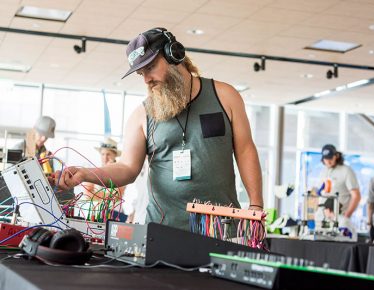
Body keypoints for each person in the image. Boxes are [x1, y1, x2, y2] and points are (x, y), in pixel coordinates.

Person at [53, 27, 263, 231]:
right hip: (163, 231)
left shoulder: (225, 96)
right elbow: (127, 168)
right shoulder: (141, 115)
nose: (146, 79)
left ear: (174, 55)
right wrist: (85, 173)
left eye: (150, 67)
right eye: (141, 73)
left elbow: (245, 150)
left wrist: (256, 205)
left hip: (222, 228)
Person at [82, 138, 128, 222]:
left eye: (108, 154)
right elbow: (87, 194)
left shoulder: (121, 172)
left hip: (114, 214)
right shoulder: (95, 171)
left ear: (115, 155)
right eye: (102, 154)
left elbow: (117, 196)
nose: (105, 157)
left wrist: (96, 194)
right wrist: (107, 195)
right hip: (96, 213)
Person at [319, 144, 361, 219]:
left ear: (336, 156)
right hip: (324, 217)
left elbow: (356, 196)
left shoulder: (346, 171)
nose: (328, 161)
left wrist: (346, 216)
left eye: (330, 158)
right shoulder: (324, 171)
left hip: (339, 217)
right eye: (325, 159)